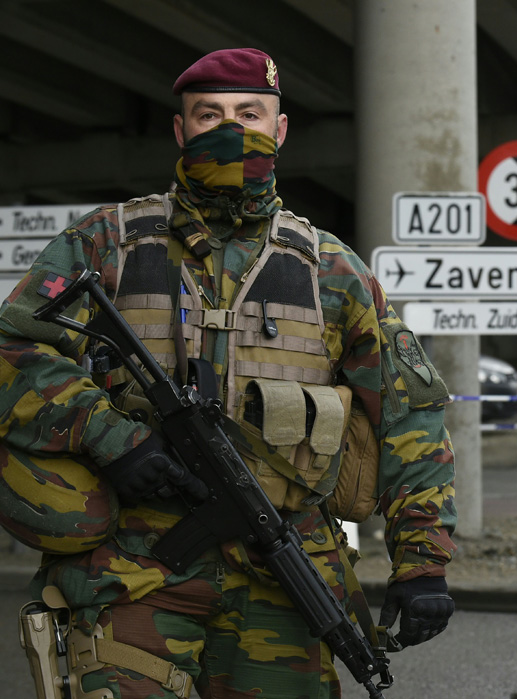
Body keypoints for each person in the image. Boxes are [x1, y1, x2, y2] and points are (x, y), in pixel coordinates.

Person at [0, 48, 456, 698]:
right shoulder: (106, 245)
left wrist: (423, 560)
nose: (230, 130)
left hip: (282, 568)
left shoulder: (332, 271)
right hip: (137, 563)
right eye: (209, 114)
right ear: (180, 131)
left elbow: (411, 414)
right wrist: (107, 435)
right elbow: (14, 346)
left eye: (250, 114)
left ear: (281, 130)